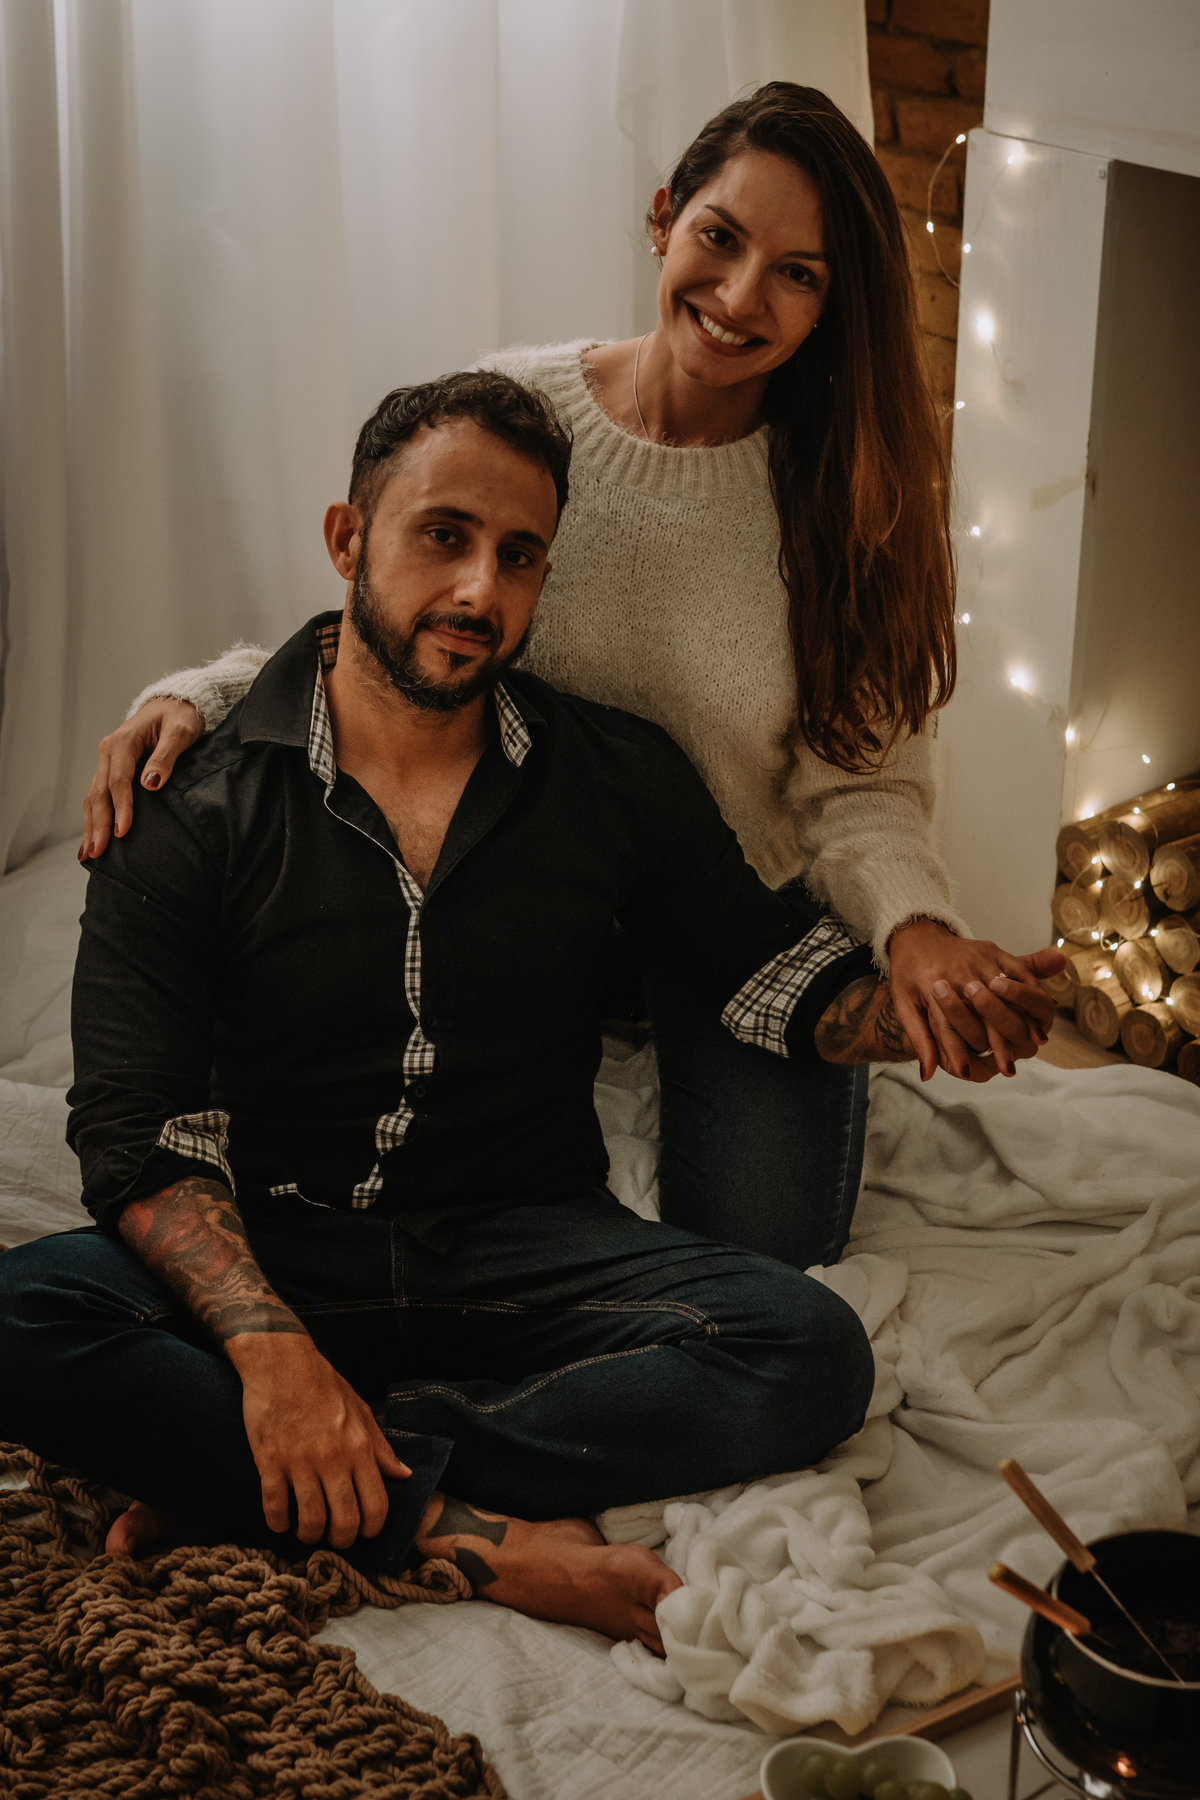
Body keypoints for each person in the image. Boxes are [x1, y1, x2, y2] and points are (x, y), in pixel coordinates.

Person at [0, 370, 1031, 1649]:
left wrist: (928, 1013)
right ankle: (461, 1536)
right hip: (280, 1239)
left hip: (523, 1244)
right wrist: (270, 1356)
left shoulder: (612, 775)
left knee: (809, 1351)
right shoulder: (190, 799)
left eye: (519, 556)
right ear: (346, 539)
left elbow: (763, 975)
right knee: (21, 1312)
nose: (481, 591)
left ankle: (283, 1476)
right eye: (444, 536)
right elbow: (139, 1133)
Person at [78, 83, 1058, 1274]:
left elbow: (864, 788)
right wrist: (206, 694)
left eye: (797, 274)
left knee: (767, 1252)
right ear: (663, 217)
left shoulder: (853, 503)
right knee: (291, 1147)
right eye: (720, 237)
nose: (740, 295)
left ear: (833, 301)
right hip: (514, 879)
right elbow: (401, 607)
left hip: (724, 914)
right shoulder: (525, 406)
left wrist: (915, 933)